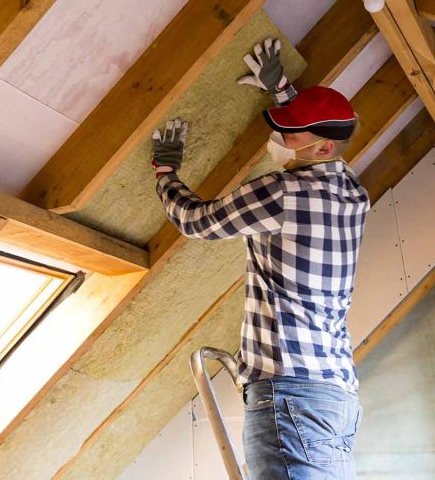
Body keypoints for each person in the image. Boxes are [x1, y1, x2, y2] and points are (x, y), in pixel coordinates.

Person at [151, 37, 370, 479]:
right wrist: (283, 92)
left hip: (289, 395)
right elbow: (316, 135)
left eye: (291, 131)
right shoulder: (353, 192)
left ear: (324, 148)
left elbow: (196, 222)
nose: (281, 138)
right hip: (333, 395)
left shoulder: (282, 192)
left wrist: (164, 173)